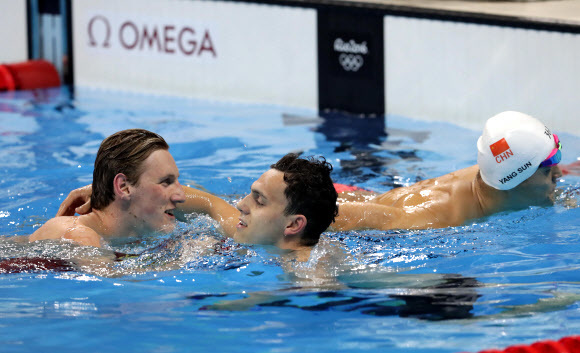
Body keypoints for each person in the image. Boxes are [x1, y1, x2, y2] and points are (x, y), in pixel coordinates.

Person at [57, 153, 339, 252]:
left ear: (293, 224)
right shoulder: (252, 231)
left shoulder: (310, 270)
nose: (241, 204)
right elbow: (209, 203)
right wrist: (118, 192)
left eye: (259, 201)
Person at [332, 111, 564, 231]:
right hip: (339, 202)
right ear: (515, 180)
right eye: (546, 171)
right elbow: (329, 215)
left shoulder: (496, 172)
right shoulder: (429, 217)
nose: (559, 175)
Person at [30, 129, 186, 247]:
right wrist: (185, 258)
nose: (181, 196)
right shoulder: (79, 236)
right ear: (123, 187)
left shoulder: (132, 232)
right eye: (166, 182)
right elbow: (111, 283)